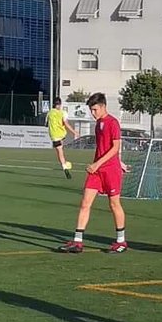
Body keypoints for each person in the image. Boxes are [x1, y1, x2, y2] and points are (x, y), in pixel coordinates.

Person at [57, 93, 128, 254]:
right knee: (85, 203)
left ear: (103, 107)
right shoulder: (98, 124)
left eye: (95, 109)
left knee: (114, 204)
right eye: (91, 110)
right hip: (97, 170)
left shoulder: (112, 123)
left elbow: (115, 147)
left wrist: (105, 163)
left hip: (109, 170)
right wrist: (102, 164)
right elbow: (104, 148)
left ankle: (121, 241)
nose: (93, 113)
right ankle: (77, 241)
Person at [47, 97, 79, 179]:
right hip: (61, 135)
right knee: (60, 152)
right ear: (60, 104)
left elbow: (46, 124)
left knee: (59, 152)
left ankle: (64, 164)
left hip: (54, 136)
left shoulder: (49, 113)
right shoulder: (63, 113)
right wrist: (74, 132)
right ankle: (64, 166)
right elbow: (66, 124)